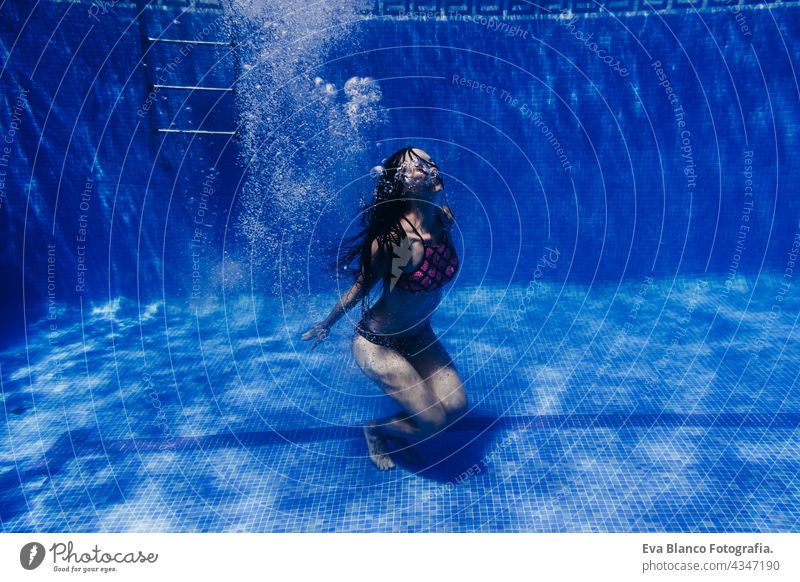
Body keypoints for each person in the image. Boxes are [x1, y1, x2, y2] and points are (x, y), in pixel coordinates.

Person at [301, 147, 467, 470]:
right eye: (417, 166)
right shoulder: (396, 241)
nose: (429, 167)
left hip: (417, 334)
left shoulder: (443, 218)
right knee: (433, 422)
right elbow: (360, 289)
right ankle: (377, 430)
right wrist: (327, 323)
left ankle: (410, 419)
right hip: (377, 343)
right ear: (402, 183)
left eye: (430, 161)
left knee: (457, 408)